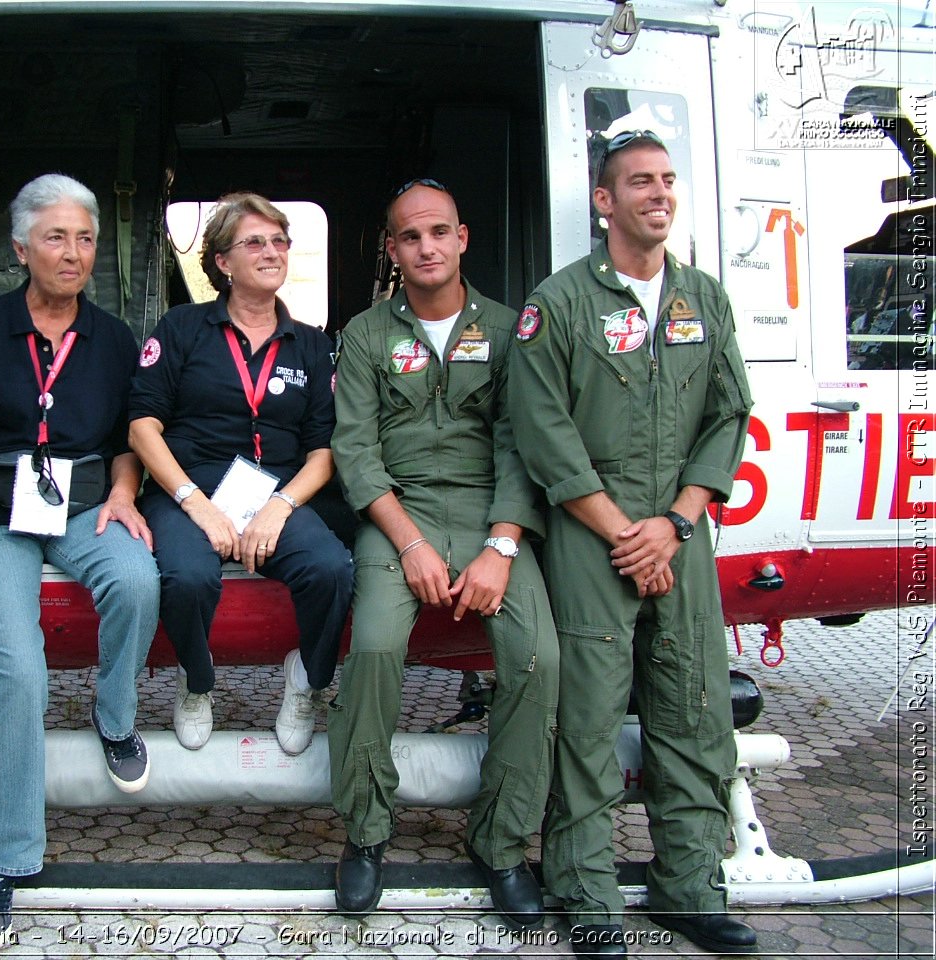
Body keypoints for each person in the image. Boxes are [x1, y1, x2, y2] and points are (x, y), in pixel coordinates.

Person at [507, 131, 757, 957]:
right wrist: (625, 532)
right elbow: (542, 432)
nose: (659, 193)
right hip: (593, 532)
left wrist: (676, 524)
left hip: (678, 532)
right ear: (605, 203)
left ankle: (691, 890)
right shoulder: (561, 303)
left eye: (667, 180)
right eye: (639, 182)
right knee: (586, 716)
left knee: (693, 706)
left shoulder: (704, 301)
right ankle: (586, 894)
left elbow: (728, 415)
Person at [0, 174, 160, 951]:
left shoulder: (114, 336)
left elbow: (130, 438)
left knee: (136, 579)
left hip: (84, 501)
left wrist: (126, 495)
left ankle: (115, 717)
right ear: (21, 247)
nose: (74, 252)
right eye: (56, 237)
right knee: (20, 671)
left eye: (86, 238)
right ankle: (6, 858)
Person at [328, 180, 559, 926]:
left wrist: (500, 547)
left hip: (494, 513)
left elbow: (526, 444)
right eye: (408, 236)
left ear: (462, 239)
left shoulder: (510, 327)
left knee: (537, 659)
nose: (425, 247)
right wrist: (413, 544)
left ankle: (498, 842)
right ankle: (365, 834)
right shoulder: (366, 335)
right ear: (392, 252)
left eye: (438, 232)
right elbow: (356, 453)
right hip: (401, 512)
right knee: (373, 647)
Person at [128, 192, 353, 755]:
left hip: (275, 491)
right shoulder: (181, 328)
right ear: (223, 263)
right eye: (255, 242)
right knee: (187, 577)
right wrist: (195, 503)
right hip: (188, 487)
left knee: (331, 570)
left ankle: (308, 678)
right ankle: (197, 683)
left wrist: (281, 507)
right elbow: (141, 429)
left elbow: (323, 452)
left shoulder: (311, 345)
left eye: (279, 241)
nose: (271, 251)